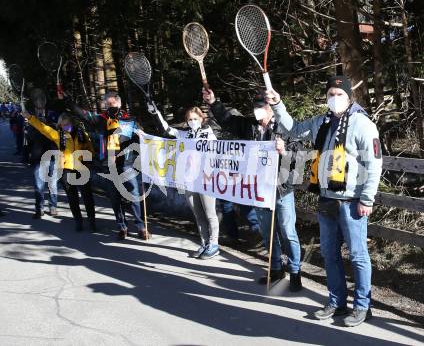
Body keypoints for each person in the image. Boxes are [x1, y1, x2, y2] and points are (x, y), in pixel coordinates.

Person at [269, 75, 382, 327]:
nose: (334, 98)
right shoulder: (323, 121)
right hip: (326, 199)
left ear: (349, 97)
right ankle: (337, 301)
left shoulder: (362, 124)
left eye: (339, 94)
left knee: (358, 256)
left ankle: (363, 306)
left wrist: (367, 198)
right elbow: (293, 128)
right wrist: (278, 105)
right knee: (329, 254)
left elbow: (374, 165)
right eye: (331, 93)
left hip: (352, 201)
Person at [203, 88, 303, 291]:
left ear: (271, 109)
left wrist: (284, 150)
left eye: (261, 107)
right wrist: (214, 103)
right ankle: (275, 268)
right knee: (267, 231)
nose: (257, 111)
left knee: (287, 231)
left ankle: (295, 271)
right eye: (255, 107)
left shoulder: (285, 127)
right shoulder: (249, 127)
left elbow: (299, 156)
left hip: (281, 188)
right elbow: (228, 121)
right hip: (259, 189)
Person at [150, 104, 221, 260]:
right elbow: (167, 130)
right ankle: (204, 242)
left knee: (210, 213)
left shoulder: (209, 133)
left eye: (195, 118)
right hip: (189, 180)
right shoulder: (184, 134)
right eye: (189, 119)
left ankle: (214, 244)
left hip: (206, 179)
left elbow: (217, 152)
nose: (192, 121)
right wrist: (157, 113)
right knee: (198, 214)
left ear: (202, 119)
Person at [75, 92, 150, 240]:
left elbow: (142, 137)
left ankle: (141, 226)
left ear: (119, 104)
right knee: (115, 198)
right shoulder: (101, 120)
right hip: (108, 166)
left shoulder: (130, 120)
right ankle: (122, 226)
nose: (110, 107)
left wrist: (141, 134)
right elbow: (84, 114)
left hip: (127, 165)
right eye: (107, 105)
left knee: (134, 195)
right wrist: (67, 100)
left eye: (112, 104)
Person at [22, 110, 96, 232]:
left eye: (68, 124)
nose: (67, 127)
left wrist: (88, 163)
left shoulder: (81, 133)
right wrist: (30, 118)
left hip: (82, 168)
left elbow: (89, 148)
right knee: (73, 198)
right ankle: (78, 221)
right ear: (60, 125)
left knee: (87, 196)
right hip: (66, 170)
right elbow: (43, 128)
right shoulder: (58, 135)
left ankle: (92, 221)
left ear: (72, 123)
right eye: (63, 125)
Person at [25, 108, 58, 219]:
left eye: (43, 111)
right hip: (38, 159)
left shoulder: (52, 125)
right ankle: (39, 208)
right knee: (39, 186)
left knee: (52, 185)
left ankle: (53, 206)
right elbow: (28, 142)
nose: (41, 113)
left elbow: (57, 140)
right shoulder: (31, 127)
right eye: (39, 111)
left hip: (52, 157)